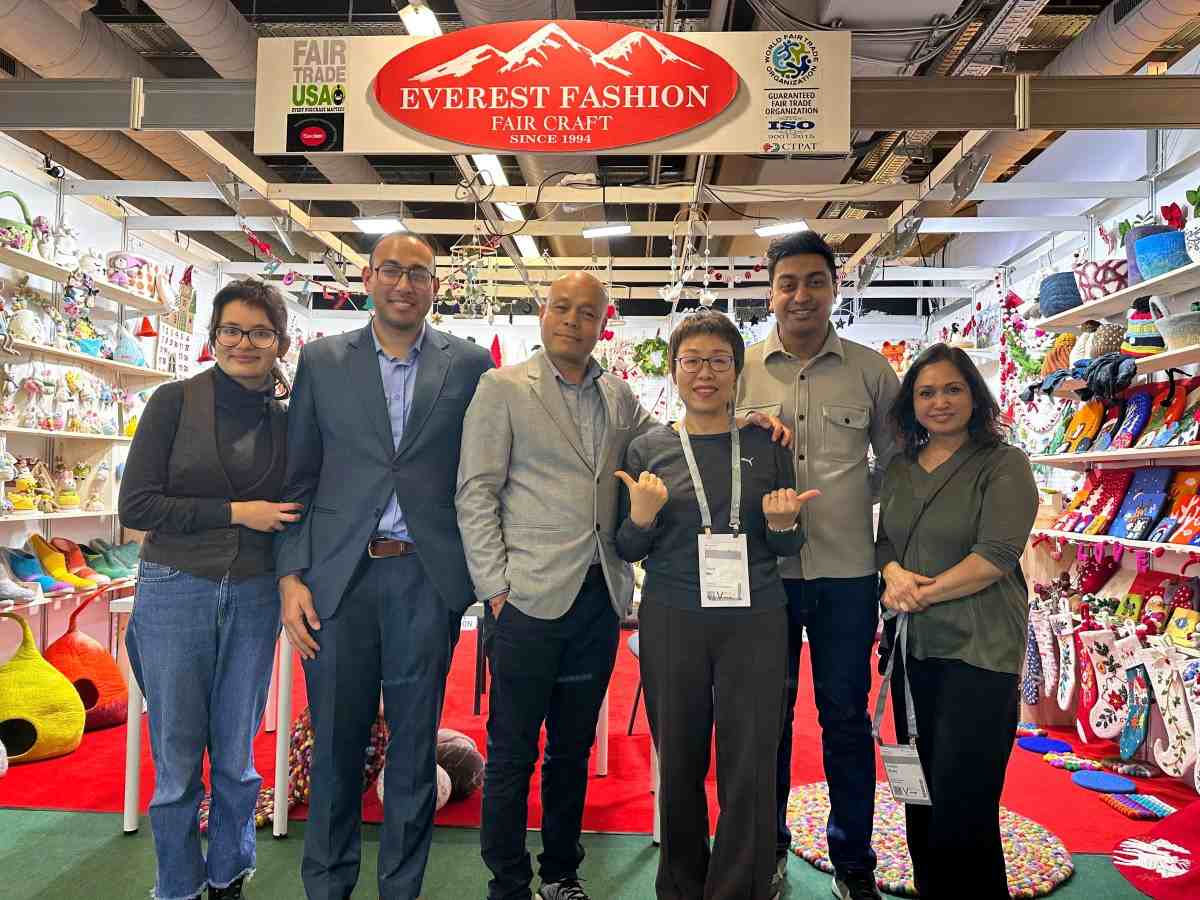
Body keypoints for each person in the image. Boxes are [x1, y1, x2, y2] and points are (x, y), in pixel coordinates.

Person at [456, 273, 788, 900]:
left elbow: (685, 429)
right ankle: (507, 882)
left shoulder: (620, 397)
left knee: (573, 750)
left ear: (602, 323)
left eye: (588, 313)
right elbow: (476, 493)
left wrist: (743, 418)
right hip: (526, 595)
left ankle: (560, 873)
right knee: (511, 754)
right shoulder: (500, 389)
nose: (574, 321)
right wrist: (495, 590)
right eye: (563, 308)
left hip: (598, 596)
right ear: (543, 312)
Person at [275, 231, 493, 900]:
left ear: (436, 285)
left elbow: (480, 473)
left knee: (412, 754)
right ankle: (328, 889)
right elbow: (299, 473)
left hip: (424, 582)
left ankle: (402, 888)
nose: (404, 283)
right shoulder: (322, 360)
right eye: (391, 270)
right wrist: (290, 577)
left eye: (418, 273)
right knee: (336, 752)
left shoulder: (470, 364)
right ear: (368, 278)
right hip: (336, 584)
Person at [614, 311, 818, 900]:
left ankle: (738, 887)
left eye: (719, 361)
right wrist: (642, 517)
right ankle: (680, 885)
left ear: (736, 371)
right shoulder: (648, 446)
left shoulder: (766, 443)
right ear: (674, 371)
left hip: (756, 618)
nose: (705, 373)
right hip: (673, 615)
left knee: (751, 757)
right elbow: (628, 546)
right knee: (677, 754)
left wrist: (784, 527)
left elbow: (787, 543)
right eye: (692, 361)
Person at [735, 231, 900, 900]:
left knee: (844, 718)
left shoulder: (871, 370)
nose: (800, 295)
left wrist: (881, 547)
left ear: (835, 286)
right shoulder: (739, 370)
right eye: (787, 283)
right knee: (764, 719)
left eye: (813, 281)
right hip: (764, 576)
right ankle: (767, 851)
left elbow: (898, 468)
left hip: (846, 575)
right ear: (770, 292)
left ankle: (852, 860)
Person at [120, 279, 298, 900]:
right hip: (175, 586)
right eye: (232, 330)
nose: (244, 343)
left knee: (236, 755)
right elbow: (137, 504)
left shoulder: (287, 416)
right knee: (175, 759)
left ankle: (227, 876)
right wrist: (235, 512)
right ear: (213, 335)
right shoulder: (174, 401)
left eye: (259, 332)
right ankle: (175, 885)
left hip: (253, 593)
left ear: (279, 342)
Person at [876, 343, 1037, 900]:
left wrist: (922, 592)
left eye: (952, 389)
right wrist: (894, 573)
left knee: (963, 800)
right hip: (912, 654)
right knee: (919, 794)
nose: (939, 402)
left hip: (978, 651)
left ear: (974, 394)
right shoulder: (898, 468)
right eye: (926, 392)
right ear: (910, 404)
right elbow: (884, 544)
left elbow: (997, 553)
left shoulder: (1002, 463)